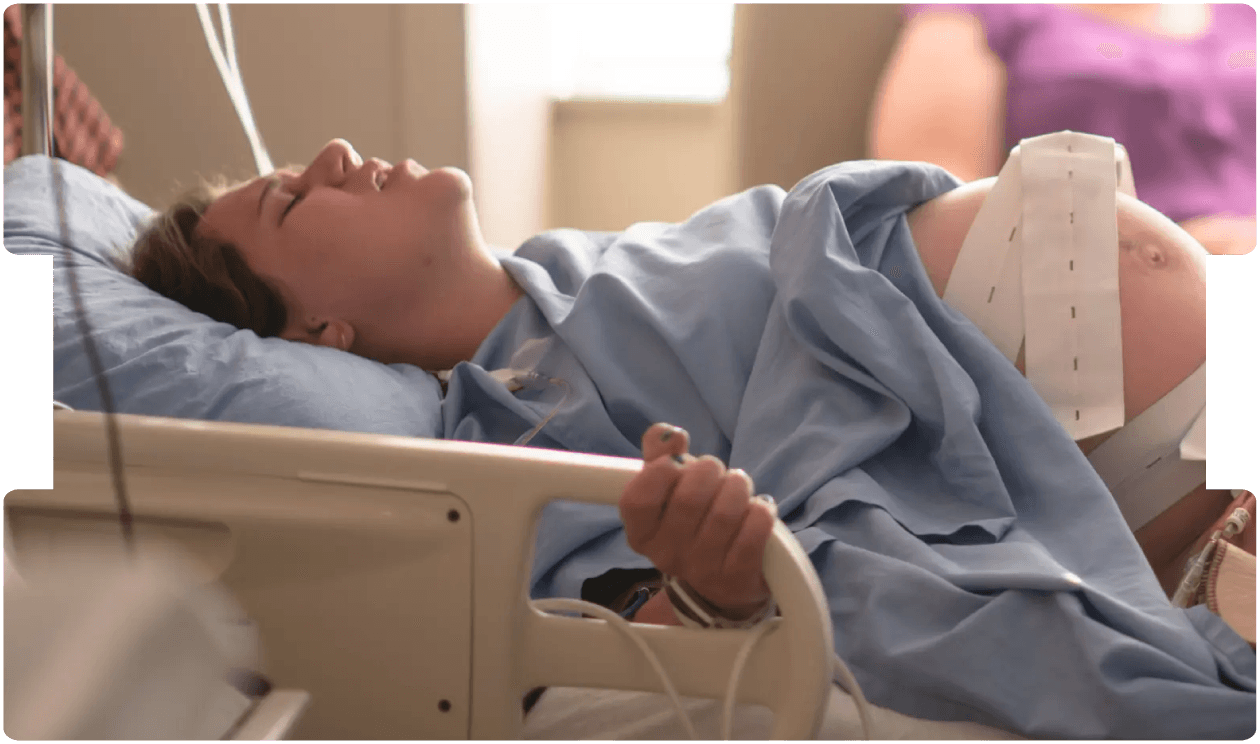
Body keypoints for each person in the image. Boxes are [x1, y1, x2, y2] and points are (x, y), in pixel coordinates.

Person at [123, 139, 1254, 738]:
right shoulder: (499, 438)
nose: (329, 151)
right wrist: (709, 590)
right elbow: (623, 621)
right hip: (1145, 423)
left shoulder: (568, 264)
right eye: (290, 200)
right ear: (322, 330)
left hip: (1202, 374)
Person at [870, 3, 1257, 256]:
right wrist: (1155, 254)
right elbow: (930, 211)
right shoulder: (978, 14)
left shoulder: (1243, 15)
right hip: (1106, 308)